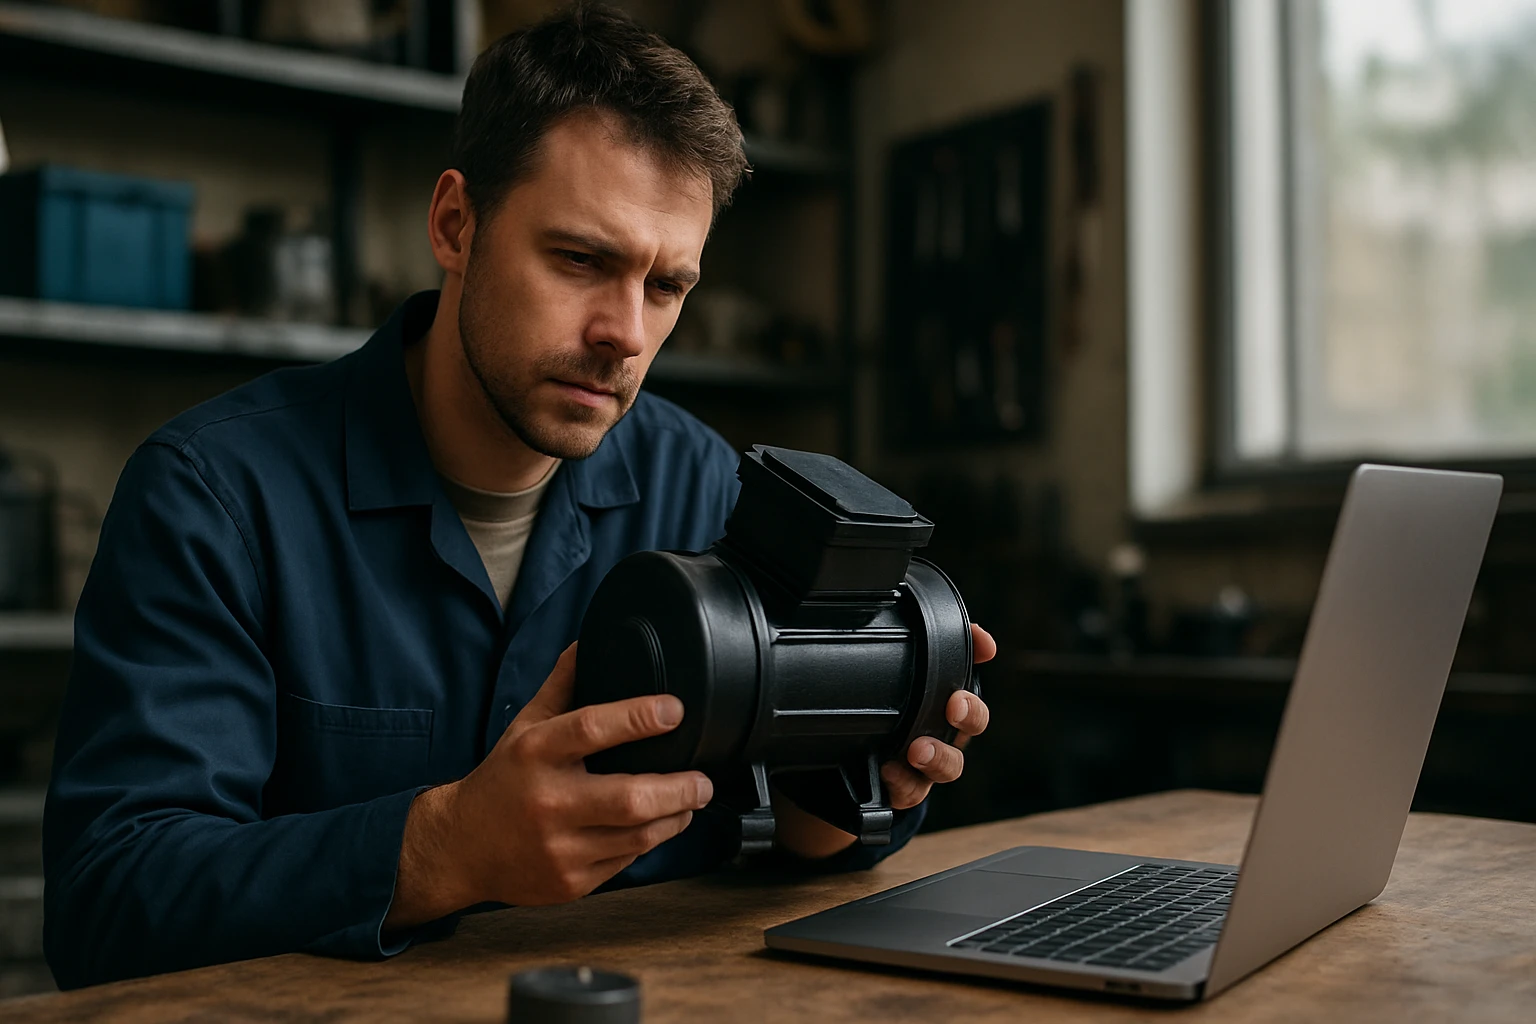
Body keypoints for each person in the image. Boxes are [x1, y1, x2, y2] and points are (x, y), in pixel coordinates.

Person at [42, 3, 995, 990]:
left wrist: (845, 783)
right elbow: (108, 899)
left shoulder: (708, 490)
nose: (625, 333)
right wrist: (440, 849)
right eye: (581, 261)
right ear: (456, 224)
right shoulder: (215, 497)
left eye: (666, 286)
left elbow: (784, 845)